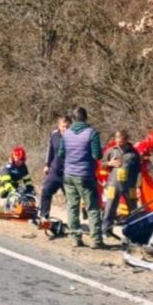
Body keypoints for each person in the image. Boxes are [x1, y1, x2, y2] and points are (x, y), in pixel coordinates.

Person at [59, 106, 103, 248]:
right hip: (85, 175)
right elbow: (97, 155)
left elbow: (61, 154)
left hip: (69, 174)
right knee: (92, 207)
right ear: (86, 117)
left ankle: (75, 238)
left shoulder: (66, 134)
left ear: (73, 119)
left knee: (72, 207)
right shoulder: (92, 133)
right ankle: (96, 240)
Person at [101, 130, 141, 238]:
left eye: (121, 140)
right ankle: (106, 230)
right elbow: (102, 164)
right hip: (113, 184)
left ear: (126, 139)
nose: (119, 142)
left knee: (133, 209)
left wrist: (138, 186)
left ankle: (134, 232)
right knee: (109, 208)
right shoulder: (111, 151)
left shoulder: (134, 153)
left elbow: (139, 170)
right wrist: (109, 163)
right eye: (117, 139)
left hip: (130, 185)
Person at [38, 115, 70, 220]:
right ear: (59, 126)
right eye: (63, 126)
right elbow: (50, 150)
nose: (65, 129)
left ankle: (72, 221)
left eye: (67, 126)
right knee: (46, 190)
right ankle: (44, 215)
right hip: (55, 171)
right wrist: (47, 164)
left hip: (68, 173)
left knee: (71, 198)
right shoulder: (54, 135)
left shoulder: (73, 137)